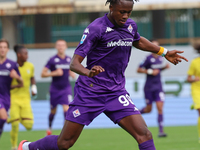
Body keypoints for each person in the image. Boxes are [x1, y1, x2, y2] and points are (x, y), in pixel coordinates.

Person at [18, 0, 188, 150]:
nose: (125, 16)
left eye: (129, 12)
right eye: (122, 12)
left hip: (116, 92)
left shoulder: (130, 25)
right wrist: (88, 72)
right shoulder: (96, 28)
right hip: (90, 92)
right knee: (64, 143)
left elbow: (137, 40)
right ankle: (27, 147)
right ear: (111, 7)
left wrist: (163, 52)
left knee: (145, 135)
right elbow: (74, 63)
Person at [40, 39, 76, 135]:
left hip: (66, 89)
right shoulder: (52, 60)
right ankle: (49, 128)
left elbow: (72, 72)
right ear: (56, 47)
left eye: (62, 45)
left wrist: (72, 74)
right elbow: (42, 74)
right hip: (55, 90)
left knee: (66, 110)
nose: (61, 47)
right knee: (53, 111)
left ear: (66, 47)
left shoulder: (69, 60)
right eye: (59, 45)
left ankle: (65, 132)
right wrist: (54, 73)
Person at [137, 39, 170, 137]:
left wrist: (164, 68)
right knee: (148, 110)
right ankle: (134, 114)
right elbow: (138, 69)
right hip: (149, 87)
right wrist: (150, 72)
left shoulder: (161, 58)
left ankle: (161, 131)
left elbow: (158, 70)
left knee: (160, 108)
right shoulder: (147, 58)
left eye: (157, 46)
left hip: (158, 87)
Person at [7, 45, 37, 150]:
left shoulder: (30, 66)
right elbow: (5, 85)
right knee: (15, 125)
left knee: (29, 125)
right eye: (25, 54)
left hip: (26, 99)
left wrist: (34, 88)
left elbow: (32, 78)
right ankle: (14, 146)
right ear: (19, 55)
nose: (27, 56)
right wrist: (16, 84)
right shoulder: (11, 67)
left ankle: (12, 118)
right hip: (13, 98)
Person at [0, 39, 23, 139]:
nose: (2, 49)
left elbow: (21, 83)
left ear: (8, 50)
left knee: (3, 120)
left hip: (6, 97)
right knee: (4, 117)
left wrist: (17, 77)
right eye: (0, 47)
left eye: (4, 47)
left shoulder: (12, 65)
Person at [187, 43, 200, 143]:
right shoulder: (195, 62)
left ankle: (194, 105)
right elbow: (188, 78)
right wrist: (196, 78)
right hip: (197, 90)